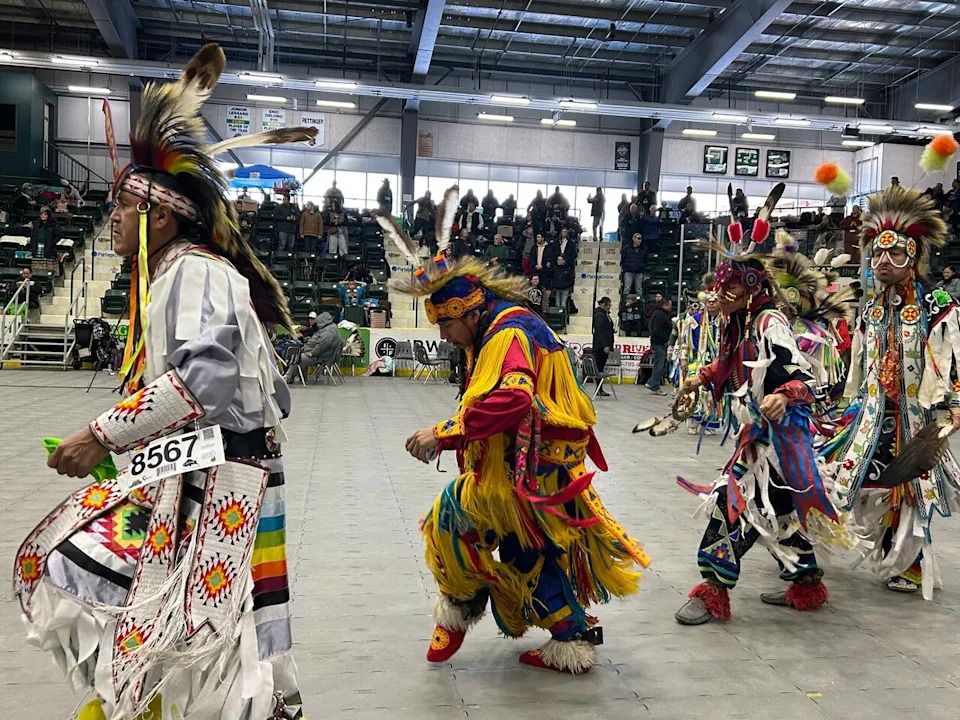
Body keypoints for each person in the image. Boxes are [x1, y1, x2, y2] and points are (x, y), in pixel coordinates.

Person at [13, 44, 312, 720]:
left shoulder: (196, 271)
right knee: (166, 588)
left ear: (163, 214)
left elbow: (202, 377)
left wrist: (102, 434)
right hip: (206, 465)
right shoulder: (179, 274)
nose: (112, 217)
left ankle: (250, 705)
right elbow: (263, 387)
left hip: (229, 473)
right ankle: (149, 696)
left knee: (224, 607)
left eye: (123, 207)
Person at [390, 225, 648, 674]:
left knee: (451, 522)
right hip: (528, 469)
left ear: (466, 312)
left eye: (445, 324)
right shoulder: (495, 327)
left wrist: (445, 432)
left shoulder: (507, 334)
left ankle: (463, 607)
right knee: (527, 550)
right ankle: (569, 637)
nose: (444, 335)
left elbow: (514, 398)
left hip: (527, 473)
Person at [673, 251, 842, 625]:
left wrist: (784, 394)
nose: (721, 291)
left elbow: (803, 375)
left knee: (731, 503)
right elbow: (736, 362)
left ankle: (713, 589)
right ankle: (806, 584)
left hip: (778, 444)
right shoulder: (742, 323)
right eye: (720, 284)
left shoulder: (770, 323)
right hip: (761, 438)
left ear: (752, 287)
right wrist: (700, 377)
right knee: (783, 513)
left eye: (730, 284)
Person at [821, 186, 960, 598]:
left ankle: (912, 565)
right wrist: (847, 401)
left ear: (913, 257)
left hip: (918, 418)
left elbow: (954, 362)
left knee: (913, 489)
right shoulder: (871, 308)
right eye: (877, 255)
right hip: (872, 413)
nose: (883, 261)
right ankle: (888, 551)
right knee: (864, 482)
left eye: (894, 254)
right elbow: (860, 365)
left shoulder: (939, 306)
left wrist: (954, 404)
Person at [677, 279, 722, 434]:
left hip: (717, 362)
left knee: (712, 394)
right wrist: (683, 358)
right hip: (697, 360)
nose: (711, 304)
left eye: (715, 301)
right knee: (693, 391)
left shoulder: (725, 321)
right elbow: (684, 340)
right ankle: (692, 421)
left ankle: (709, 422)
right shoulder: (695, 320)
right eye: (708, 301)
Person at [285, 311, 341, 384]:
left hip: (322, 357)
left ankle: (288, 377)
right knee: (301, 357)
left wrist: (312, 353)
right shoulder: (332, 328)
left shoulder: (329, 331)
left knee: (298, 357)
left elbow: (322, 345)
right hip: (326, 355)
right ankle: (300, 377)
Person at [645, 297, 672, 395]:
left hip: (658, 343)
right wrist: (665, 339)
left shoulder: (658, 314)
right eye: (669, 304)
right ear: (664, 305)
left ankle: (651, 382)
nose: (671, 306)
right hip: (659, 343)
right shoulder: (660, 315)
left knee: (660, 365)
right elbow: (656, 330)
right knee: (659, 365)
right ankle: (654, 385)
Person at [592, 296, 615, 397]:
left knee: (601, 367)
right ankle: (599, 388)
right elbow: (600, 331)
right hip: (600, 346)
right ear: (602, 304)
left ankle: (600, 388)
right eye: (608, 305)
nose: (609, 307)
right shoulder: (600, 316)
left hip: (604, 344)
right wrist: (605, 345)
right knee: (599, 368)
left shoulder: (605, 315)